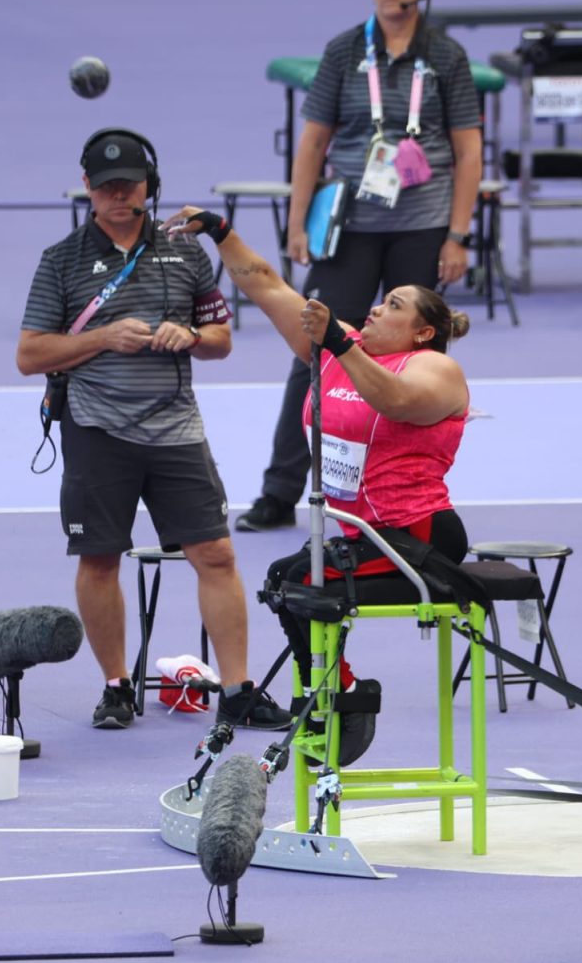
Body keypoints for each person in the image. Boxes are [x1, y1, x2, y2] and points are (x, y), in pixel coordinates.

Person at [160, 205, 471, 761]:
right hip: (359, 535)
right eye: (380, 300)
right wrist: (220, 232)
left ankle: (342, 701)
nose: (377, 307)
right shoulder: (335, 349)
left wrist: (341, 344)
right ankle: (336, 689)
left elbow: (393, 401)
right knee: (287, 577)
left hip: (416, 536)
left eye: (394, 306)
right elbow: (265, 283)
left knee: (299, 580)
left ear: (422, 331)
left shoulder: (433, 369)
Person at [16, 128, 291, 732]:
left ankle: (239, 690)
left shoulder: (186, 253)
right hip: (97, 430)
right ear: (87, 187)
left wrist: (190, 336)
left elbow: (221, 340)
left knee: (216, 554)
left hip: (176, 431)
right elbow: (31, 354)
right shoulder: (60, 261)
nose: (120, 196)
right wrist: (103, 337)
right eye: (108, 186)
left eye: (131, 185)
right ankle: (116, 688)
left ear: (150, 185)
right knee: (99, 559)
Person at [235, 0, 481, 533]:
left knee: (413, 361)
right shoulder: (344, 50)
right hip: (350, 226)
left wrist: (458, 234)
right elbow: (314, 140)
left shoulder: (445, 55)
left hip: (422, 223)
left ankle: (403, 492)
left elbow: (468, 150)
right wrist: (299, 221)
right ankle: (280, 491)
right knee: (318, 348)